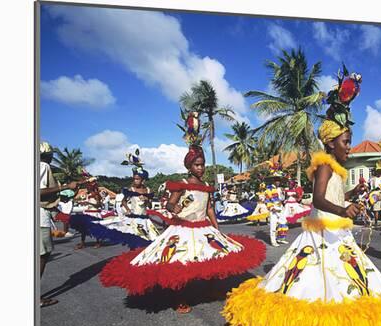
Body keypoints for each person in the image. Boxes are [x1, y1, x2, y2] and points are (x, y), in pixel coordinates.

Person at [223, 76, 381, 326]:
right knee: (317, 279)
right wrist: (343, 208)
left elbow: (333, 195)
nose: (349, 147)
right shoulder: (325, 166)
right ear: (330, 143)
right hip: (322, 231)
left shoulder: (335, 169)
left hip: (337, 229)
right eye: (346, 142)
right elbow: (318, 199)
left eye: (350, 141)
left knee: (346, 277)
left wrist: (354, 195)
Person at [100, 113, 265, 314]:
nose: (201, 168)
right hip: (183, 229)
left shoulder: (207, 186)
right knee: (181, 264)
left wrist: (216, 227)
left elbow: (210, 207)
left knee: (212, 258)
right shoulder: (182, 184)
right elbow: (170, 204)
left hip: (203, 228)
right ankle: (180, 298)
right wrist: (173, 208)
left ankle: (212, 289)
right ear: (189, 166)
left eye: (203, 164)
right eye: (197, 164)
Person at [39, 141, 79, 307]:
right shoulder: (43, 165)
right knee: (42, 255)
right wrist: (65, 186)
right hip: (39, 217)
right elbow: (39, 191)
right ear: (48, 155)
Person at [264, 170, 289, 247]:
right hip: (274, 208)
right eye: (276, 180)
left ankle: (280, 238)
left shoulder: (281, 189)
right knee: (273, 225)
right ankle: (273, 241)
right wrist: (271, 208)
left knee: (283, 223)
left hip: (281, 207)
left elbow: (282, 199)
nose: (278, 182)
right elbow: (267, 200)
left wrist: (284, 193)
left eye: (279, 180)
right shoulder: (269, 189)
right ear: (273, 181)